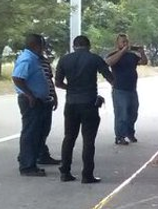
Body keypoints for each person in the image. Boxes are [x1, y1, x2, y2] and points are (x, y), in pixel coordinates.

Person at [55, 35, 114, 184]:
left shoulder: (64, 59)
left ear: (74, 46)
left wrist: (72, 88)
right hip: (89, 103)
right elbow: (110, 77)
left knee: (69, 137)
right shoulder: (94, 59)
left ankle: (65, 172)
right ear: (89, 46)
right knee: (88, 140)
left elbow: (58, 83)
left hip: (71, 103)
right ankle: (87, 175)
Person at [12, 33, 54, 177]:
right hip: (31, 101)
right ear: (36, 45)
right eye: (43, 44)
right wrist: (30, 94)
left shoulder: (35, 58)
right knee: (30, 133)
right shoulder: (27, 59)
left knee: (39, 132)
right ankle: (27, 165)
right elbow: (17, 78)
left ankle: (33, 158)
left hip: (40, 100)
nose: (44, 47)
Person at [105, 34, 147, 145]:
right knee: (121, 114)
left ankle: (130, 133)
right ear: (117, 43)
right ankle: (120, 136)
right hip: (119, 89)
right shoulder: (113, 55)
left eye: (126, 42)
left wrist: (142, 52)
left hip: (132, 89)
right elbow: (108, 63)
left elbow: (144, 62)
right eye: (122, 42)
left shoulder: (132, 56)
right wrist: (122, 51)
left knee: (133, 113)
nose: (125, 44)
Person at [36, 37, 60, 166]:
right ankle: (28, 155)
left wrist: (54, 96)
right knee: (34, 129)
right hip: (36, 99)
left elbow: (50, 79)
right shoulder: (32, 61)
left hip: (47, 98)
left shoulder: (45, 61)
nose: (43, 49)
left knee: (45, 129)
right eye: (41, 46)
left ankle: (42, 154)